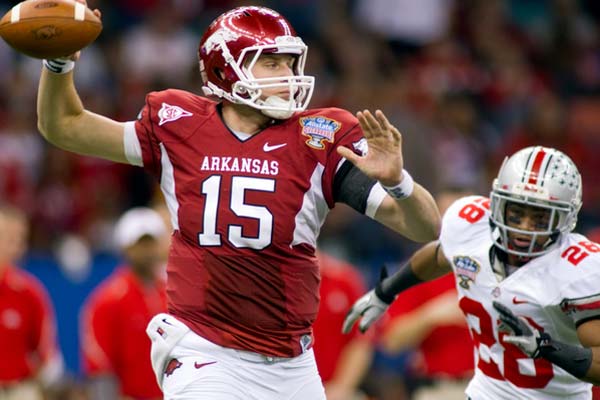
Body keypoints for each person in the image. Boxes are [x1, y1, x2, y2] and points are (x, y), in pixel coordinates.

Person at [36, 4, 441, 399]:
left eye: (288, 63)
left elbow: (424, 227)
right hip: (204, 349)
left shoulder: (318, 138)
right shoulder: (179, 124)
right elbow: (66, 127)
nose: (287, 75)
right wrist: (59, 67)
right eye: (271, 64)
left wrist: (398, 181)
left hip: (291, 361)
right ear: (225, 67)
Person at [344, 146, 600, 399]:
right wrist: (386, 291)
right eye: (517, 212)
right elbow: (438, 256)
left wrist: (548, 348)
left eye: (540, 217)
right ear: (499, 204)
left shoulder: (579, 268)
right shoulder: (473, 225)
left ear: (566, 218)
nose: (525, 228)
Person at [80, 207, 168, 400]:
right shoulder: (108, 300)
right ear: (126, 248)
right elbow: (99, 366)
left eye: (151, 244)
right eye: (140, 245)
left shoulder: (172, 293)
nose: (148, 252)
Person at [0, 205, 63, 400]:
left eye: (21, 238)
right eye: (10, 237)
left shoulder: (29, 292)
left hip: (20, 387)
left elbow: (46, 348)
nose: (17, 245)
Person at [312, 251, 375, 400]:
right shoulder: (269, 281)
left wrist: (341, 388)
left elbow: (361, 342)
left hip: (332, 390)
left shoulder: (344, 279)